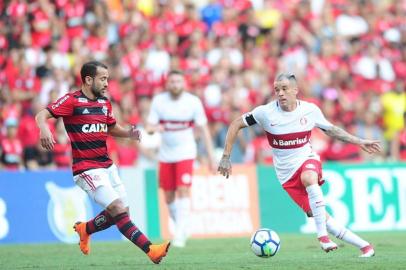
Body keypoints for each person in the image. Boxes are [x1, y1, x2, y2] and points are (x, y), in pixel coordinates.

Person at [218, 73, 381, 257]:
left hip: (307, 159)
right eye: (277, 89)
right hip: (286, 175)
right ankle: (366, 247)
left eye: (285, 89)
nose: (280, 93)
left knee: (308, 177)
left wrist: (358, 141)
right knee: (321, 216)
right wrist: (226, 156)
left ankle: (322, 237)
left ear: (295, 90)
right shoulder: (265, 112)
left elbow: (332, 130)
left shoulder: (310, 110)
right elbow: (235, 124)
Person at [35, 61, 170, 264]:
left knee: (123, 212)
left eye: (107, 78)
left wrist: (128, 133)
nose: (107, 83)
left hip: (107, 166)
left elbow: (110, 127)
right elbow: (41, 114)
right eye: (103, 79)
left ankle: (86, 229)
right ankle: (151, 250)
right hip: (86, 168)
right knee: (117, 209)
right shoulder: (72, 101)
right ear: (88, 80)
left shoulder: (104, 103)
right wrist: (44, 128)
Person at [146, 70, 215, 248]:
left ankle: (179, 234)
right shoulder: (159, 101)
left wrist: (212, 157)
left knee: (183, 189)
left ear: (184, 83)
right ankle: (182, 227)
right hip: (165, 154)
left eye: (178, 81)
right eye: (172, 82)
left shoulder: (193, 102)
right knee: (168, 195)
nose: (175, 85)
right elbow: (149, 126)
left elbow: (204, 130)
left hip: (186, 152)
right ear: (167, 84)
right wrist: (154, 129)